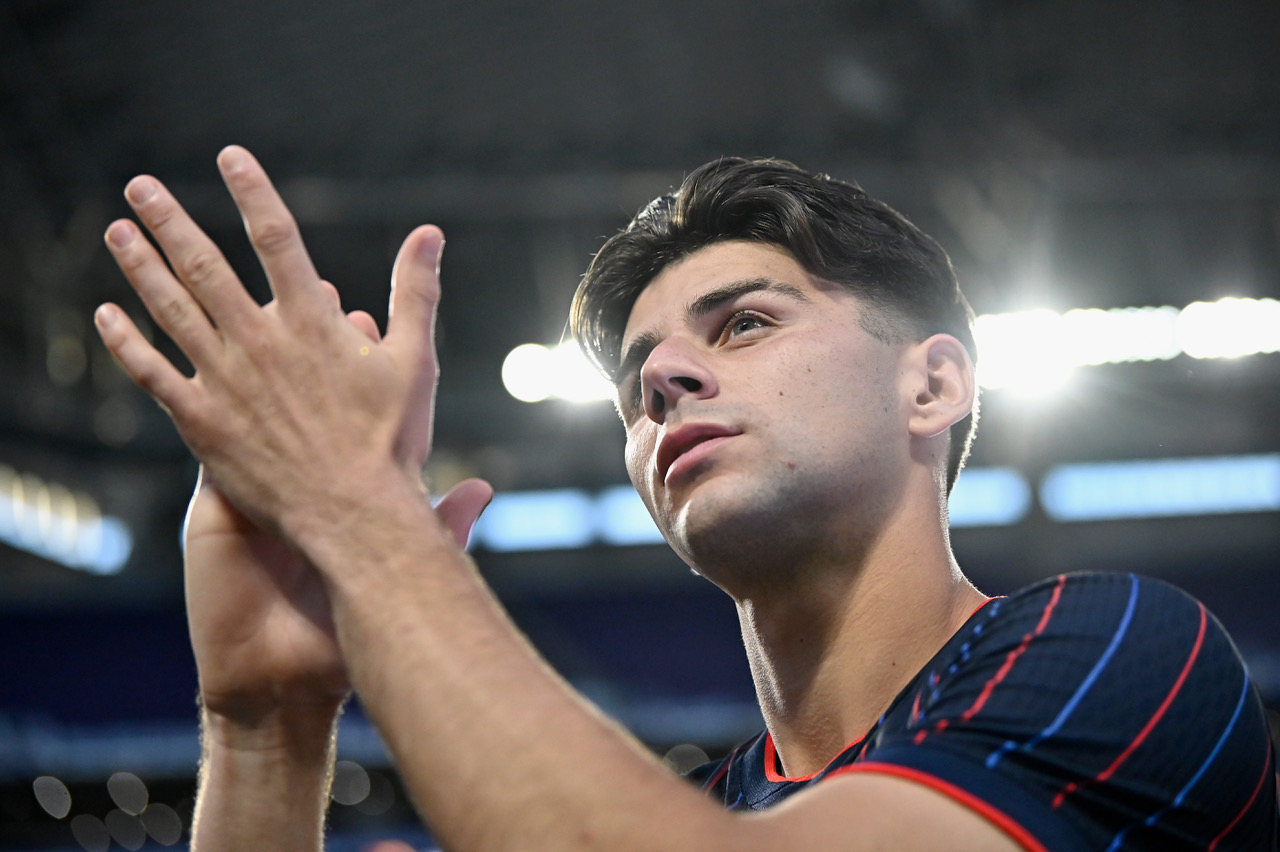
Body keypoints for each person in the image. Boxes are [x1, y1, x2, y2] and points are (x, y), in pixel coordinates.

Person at [93, 146, 1276, 852]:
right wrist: (264, 728)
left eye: (745, 322)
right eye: (635, 378)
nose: (661, 378)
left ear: (932, 384)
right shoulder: (695, 813)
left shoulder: (1126, 653)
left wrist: (362, 518)